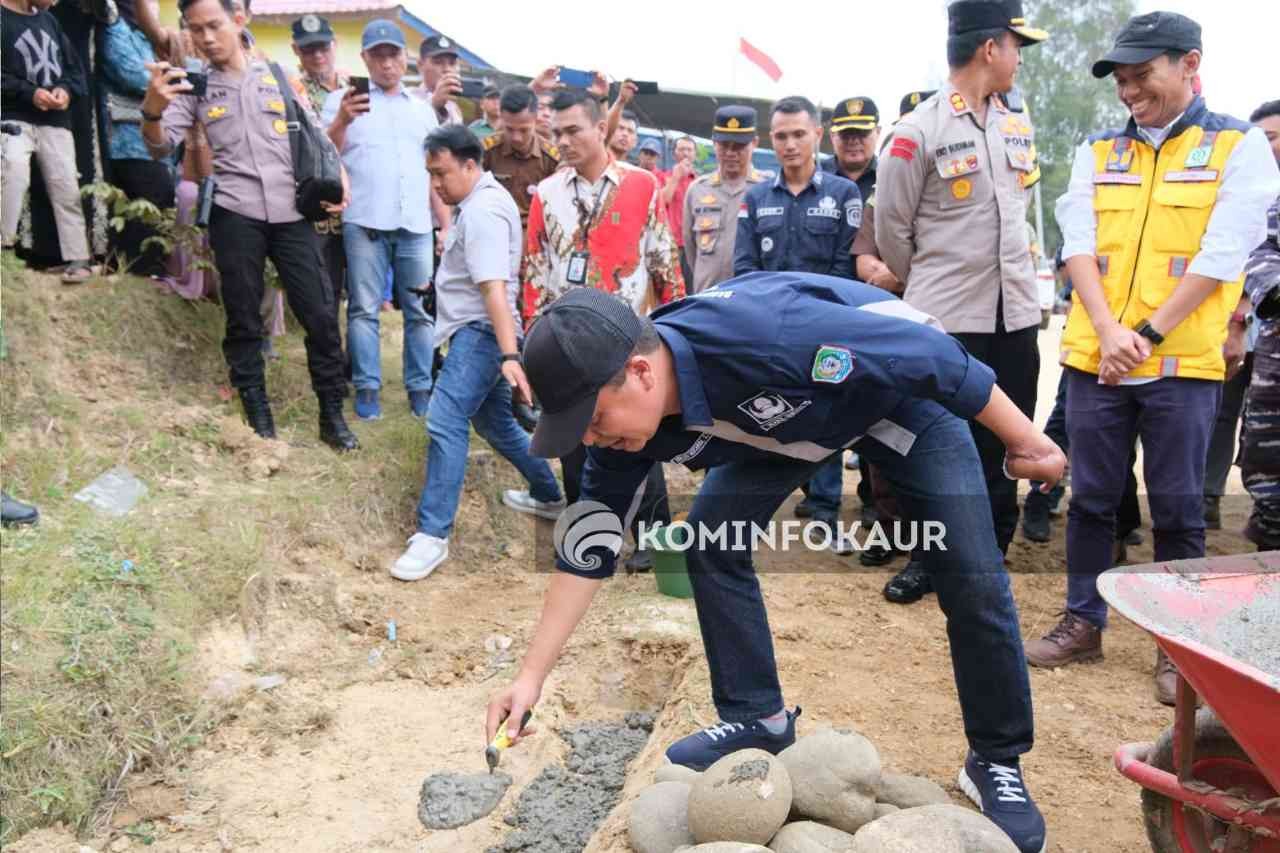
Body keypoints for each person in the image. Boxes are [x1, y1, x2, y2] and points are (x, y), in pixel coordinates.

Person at [488, 278, 1065, 853]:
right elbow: (586, 548)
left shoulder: (766, 340)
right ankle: (756, 717)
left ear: (640, 372)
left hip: (896, 397)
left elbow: (933, 355)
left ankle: (995, 759)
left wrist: (1026, 441)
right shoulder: (626, 432)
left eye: (593, 420)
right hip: (786, 426)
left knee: (971, 573)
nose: (591, 439)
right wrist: (530, 678)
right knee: (710, 539)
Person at [1024, 12, 1279, 705]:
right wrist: (1110, 332)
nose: (1129, 92)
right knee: (1091, 500)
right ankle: (1083, 621)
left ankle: (1178, 645)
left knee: (1177, 508)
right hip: (1096, 358)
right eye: (1121, 81)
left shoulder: (1237, 146)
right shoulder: (1097, 150)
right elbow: (1077, 243)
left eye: (1142, 76)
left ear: (1189, 64)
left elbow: (1225, 252)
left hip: (1180, 365)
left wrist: (1145, 336)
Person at [876, 0, 1048, 606]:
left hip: (1015, 316)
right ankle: (930, 558)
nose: (1019, 58)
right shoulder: (916, 131)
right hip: (948, 321)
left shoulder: (1015, 124)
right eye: (1016, 45)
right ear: (990, 47)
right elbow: (892, 233)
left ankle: (990, 553)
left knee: (1007, 443)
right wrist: (934, 282)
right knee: (939, 445)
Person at [141, 0, 358, 451]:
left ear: (239, 20)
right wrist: (152, 111)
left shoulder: (278, 76)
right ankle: (259, 417)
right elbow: (161, 147)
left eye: (214, 25)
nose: (205, 38)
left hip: (292, 213)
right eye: (195, 29)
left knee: (320, 314)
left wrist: (340, 175)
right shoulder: (194, 85)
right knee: (243, 319)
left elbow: (315, 133)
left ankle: (332, 415)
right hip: (234, 213)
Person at [391, 125, 565, 580]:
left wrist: (509, 356)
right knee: (494, 423)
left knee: (444, 420)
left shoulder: (483, 211)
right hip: (480, 330)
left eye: (441, 173)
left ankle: (432, 535)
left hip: (482, 334)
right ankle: (549, 494)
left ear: (470, 165)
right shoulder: (477, 202)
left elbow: (493, 290)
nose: (435, 184)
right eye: (430, 174)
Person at [522, 89, 684, 570]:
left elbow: (665, 261)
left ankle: (652, 537)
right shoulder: (547, 194)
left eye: (573, 130)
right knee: (575, 442)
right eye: (557, 133)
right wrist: (534, 345)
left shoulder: (642, 185)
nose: (564, 141)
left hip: (627, 341)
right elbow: (535, 271)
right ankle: (591, 540)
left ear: (600, 128)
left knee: (639, 439)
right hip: (566, 344)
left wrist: (674, 332)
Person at [736, 95, 861, 552]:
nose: (790, 144)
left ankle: (824, 510)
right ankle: (760, 508)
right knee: (769, 413)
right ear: (771, 140)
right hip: (770, 329)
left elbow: (846, 268)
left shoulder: (843, 195)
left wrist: (816, 317)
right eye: (781, 136)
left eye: (798, 134)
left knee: (826, 414)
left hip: (825, 326)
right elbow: (745, 267)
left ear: (817, 135)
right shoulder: (756, 198)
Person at [323, 20, 451, 421]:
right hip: (364, 222)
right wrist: (342, 120)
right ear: (364, 58)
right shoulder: (341, 102)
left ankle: (420, 389)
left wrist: (445, 224)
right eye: (377, 56)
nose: (386, 64)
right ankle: (367, 388)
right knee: (363, 309)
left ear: (405, 58)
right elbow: (325, 155)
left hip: (415, 224)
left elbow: (434, 174)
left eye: (393, 55)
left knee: (420, 311)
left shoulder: (422, 111)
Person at [1204, 100, 1280, 529]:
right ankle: (1208, 496)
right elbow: (1244, 254)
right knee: (1227, 413)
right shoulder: (1240, 189)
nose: (1264, 147)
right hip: (1245, 326)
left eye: (1271, 138)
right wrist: (1237, 323)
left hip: (1261, 333)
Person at [1, 0, 92, 283]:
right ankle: (3, 250)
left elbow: (74, 71)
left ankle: (78, 257)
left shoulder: (50, 21)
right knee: (11, 173)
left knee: (66, 185)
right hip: (12, 118)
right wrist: (29, 93)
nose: (56, 1)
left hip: (55, 122)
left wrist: (64, 90)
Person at [95, 0, 175, 278]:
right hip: (125, 141)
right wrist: (169, 80)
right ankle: (140, 271)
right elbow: (133, 74)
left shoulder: (146, 38)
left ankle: (148, 271)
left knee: (156, 203)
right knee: (146, 202)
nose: (153, 8)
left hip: (152, 141)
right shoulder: (113, 27)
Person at [289, 14, 348, 309]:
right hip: (322, 203)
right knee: (325, 287)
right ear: (295, 50)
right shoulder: (292, 92)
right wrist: (341, 121)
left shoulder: (355, 86)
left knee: (364, 293)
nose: (317, 56)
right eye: (309, 49)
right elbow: (311, 146)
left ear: (334, 44)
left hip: (362, 202)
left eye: (323, 47)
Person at [681, 105, 764, 294]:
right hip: (709, 296)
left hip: (752, 297)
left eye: (739, 146)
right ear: (714, 143)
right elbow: (691, 251)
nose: (730, 153)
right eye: (724, 145)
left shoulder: (766, 190)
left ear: (754, 143)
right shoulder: (697, 190)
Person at [480, 86, 559, 229]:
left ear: (535, 119)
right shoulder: (487, 151)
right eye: (509, 129)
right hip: (494, 226)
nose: (516, 138)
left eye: (524, 130)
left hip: (533, 231)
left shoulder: (551, 158)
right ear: (501, 117)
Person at [661, 135, 698, 284]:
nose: (685, 153)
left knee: (691, 288)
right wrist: (676, 177)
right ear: (674, 153)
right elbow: (662, 201)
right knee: (670, 286)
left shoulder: (699, 182)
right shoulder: (664, 177)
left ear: (695, 154)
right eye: (681, 149)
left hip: (693, 245)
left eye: (689, 150)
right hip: (670, 244)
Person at [415, 34, 462, 127]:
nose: (447, 69)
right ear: (420, 65)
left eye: (452, 63)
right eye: (438, 62)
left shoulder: (454, 107)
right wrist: (435, 106)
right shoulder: (407, 99)